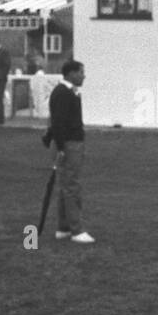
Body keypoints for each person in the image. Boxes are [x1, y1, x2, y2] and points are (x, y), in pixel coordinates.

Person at [44, 59, 94, 244]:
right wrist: (62, 148)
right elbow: (58, 122)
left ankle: (63, 227)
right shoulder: (63, 93)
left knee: (66, 186)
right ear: (71, 73)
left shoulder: (68, 92)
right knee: (72, 186)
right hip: (69, 144)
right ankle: (76, 230)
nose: (83, 76)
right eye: (81, 72)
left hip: (72, 143)